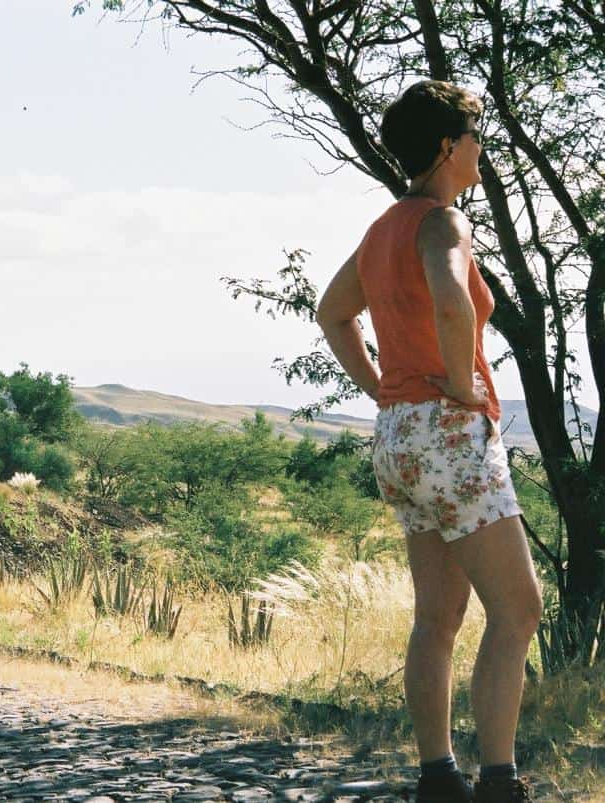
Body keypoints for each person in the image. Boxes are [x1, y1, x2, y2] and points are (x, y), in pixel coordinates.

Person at [316, 80, 541, 803]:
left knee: (437, 617)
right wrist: (464, 383)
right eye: (475, 137)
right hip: (448, 433)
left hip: (400, 438)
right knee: (519, 609)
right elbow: (451, 300)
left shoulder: (384, 228)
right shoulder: (444, 222)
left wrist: (384, 387)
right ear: (448, 146)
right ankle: (500, 782)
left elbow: (332, 311)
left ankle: (438, 778)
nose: (481, 149)